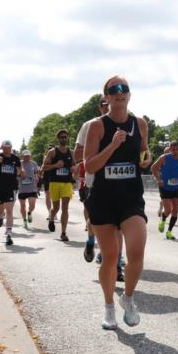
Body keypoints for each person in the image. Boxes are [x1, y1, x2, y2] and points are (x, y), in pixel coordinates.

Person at [83, 75, 151, 330]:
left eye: (124, 89)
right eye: (114, 89)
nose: (120, 92)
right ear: (107, 97)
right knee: (111, 258)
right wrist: (112, 146)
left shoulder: (140, 124)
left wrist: (146, 159)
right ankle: (109, 306)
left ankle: (128, 298)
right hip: (103, 198)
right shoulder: (97, 127)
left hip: (131, 197)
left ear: (130, 95)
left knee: (136, 253)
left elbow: (144, 152)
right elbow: (89, 165)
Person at [76, 98, 111, 263]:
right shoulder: (89, 125)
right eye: (105, 106)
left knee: (116, 222)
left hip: (119, 181)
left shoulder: (127, 123)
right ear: (100, 108)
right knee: (96, 218)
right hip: (94, 180)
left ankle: (112, 258)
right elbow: (77, 153)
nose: (108, 108)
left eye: (110, 105)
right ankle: (91, 241)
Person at [42, 129, 75, 241]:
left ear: (68, 138)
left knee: (65, 207)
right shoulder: (53, 152)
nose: (63, 138)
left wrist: (74, 169)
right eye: (61, 137)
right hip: (54, 183)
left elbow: (75, 167)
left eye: (65, 137)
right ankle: (51, 218)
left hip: (67, 183)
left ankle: (63, 233)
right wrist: (55, 165)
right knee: (56, 208)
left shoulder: (71, 152)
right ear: (58, 138)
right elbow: (44, 167)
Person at [152, 141, 178, 240]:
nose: (175, 151)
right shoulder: (164, 158)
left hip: (177, 187)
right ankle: (163, 219)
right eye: (173, 150)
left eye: (177, 149)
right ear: (170, 149)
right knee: (168, 210)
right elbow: (153, 168)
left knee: (176, 210)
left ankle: (169, 231)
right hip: (165, 186)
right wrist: (158, 179)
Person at [17, 150, 40, 226]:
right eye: (25, 156)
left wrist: (37, 177)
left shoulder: (34, 163)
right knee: (22, 206)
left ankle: (29, 213)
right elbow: (16, 174)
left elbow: (36, 172)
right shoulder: (19, 163)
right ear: (22, 156)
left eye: (28, 156)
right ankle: (24, 220)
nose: (27, 157)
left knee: (32, 205)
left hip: (32, 188)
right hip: (22, 189)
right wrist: (20, 173)